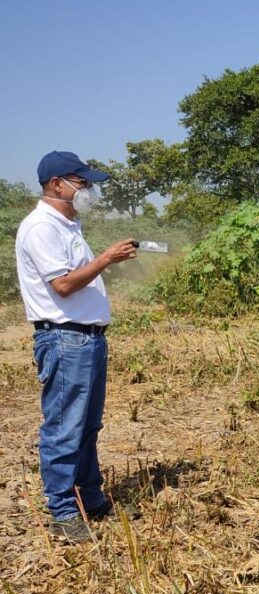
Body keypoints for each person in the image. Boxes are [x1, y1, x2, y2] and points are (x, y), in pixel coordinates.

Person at [15, 151, 139, 542]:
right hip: (65, 339)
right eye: (82, 183)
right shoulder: (41, 228)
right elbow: (64, 285)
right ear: (57, 185)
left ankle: (92, 497)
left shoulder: (68, 226)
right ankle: (64, 512)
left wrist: (105, 259)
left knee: (87, 426)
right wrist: (106, 258)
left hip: (86, 339)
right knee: (64, 428)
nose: (89, 190)